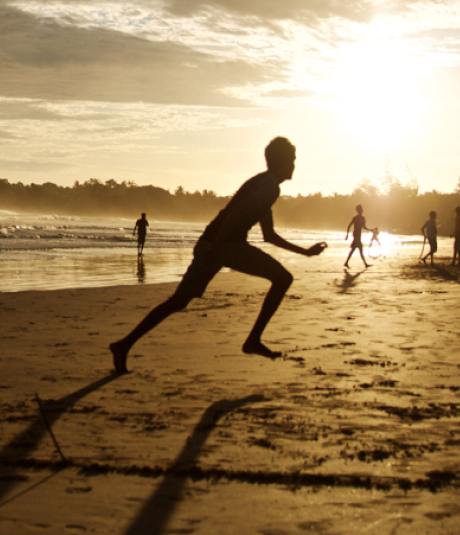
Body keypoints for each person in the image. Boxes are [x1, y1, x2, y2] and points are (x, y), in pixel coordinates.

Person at [109, 137, 326, 372]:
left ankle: (123, 345)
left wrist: (305, 252)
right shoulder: (269, 186)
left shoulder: (265, 185)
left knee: (179, 301)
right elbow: (235, 215)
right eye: (292, 160)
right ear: (281, 161)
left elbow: (268, 235)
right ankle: (253, 341)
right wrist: (217, 249)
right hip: (224, 246)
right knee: (282, 279)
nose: (294, 165)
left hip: (217, 244)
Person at [344, 204, 371, 269]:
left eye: (361, 209)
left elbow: (364, 227)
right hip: (356, 235)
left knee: (354, 250)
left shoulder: (363, 218)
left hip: (358, 236)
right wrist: (347, 235)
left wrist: (370, 230)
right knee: (359, 249)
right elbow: (349, 225)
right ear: (358, 210)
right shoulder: (355, 218)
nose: (361, 210)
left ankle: (346, 262)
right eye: (360, 209)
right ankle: (365, 264)